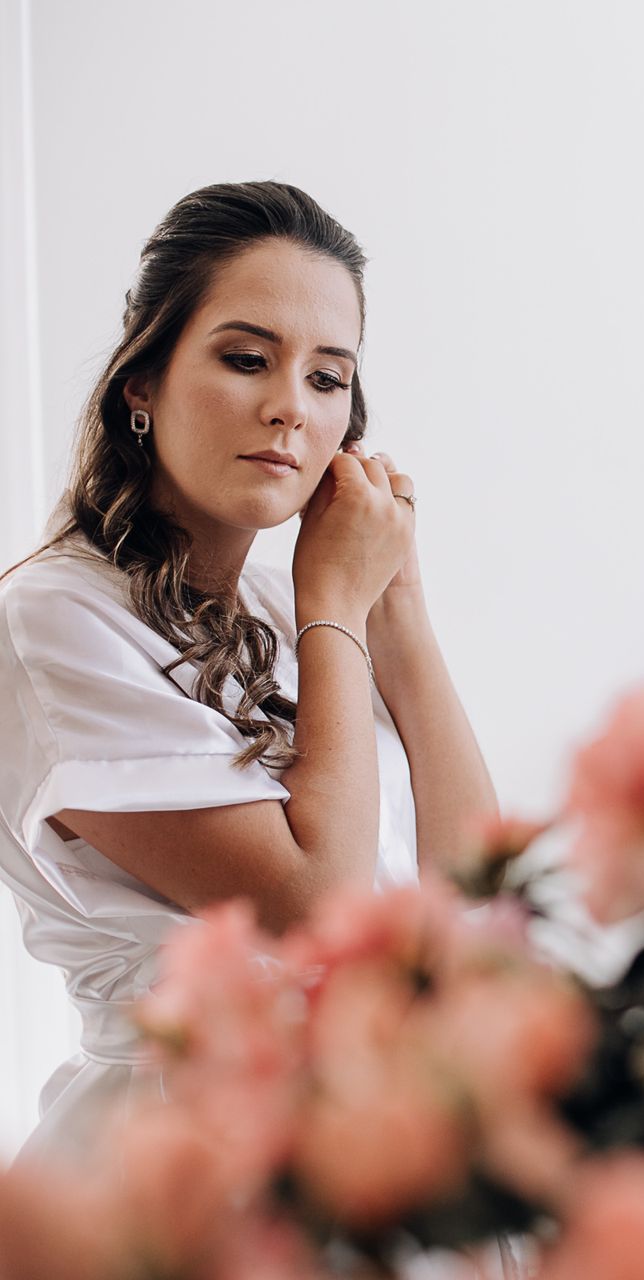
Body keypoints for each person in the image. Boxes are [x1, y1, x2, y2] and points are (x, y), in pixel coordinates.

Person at [0, 181, 497, 1162]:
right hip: (189, 1157)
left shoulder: (295, 608)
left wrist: (399, 610)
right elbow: (316, 907)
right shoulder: (54, 618)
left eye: (328, 378)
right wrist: (339, 608)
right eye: (245, 358)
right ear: (140, 382)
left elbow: (478, 887)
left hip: (373, 1145)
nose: (288, 409)